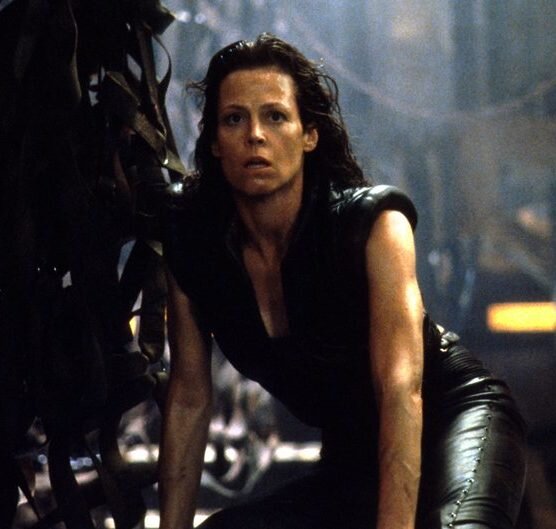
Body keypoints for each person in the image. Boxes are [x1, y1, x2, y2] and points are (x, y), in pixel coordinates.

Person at [159, 34, 526, 529]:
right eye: (234, 119)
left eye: (275, 116)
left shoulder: (372, 224)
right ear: (214, 144)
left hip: (452, 421)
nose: (255, 135)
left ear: (308, 135)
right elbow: (188, 399)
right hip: (354, 454)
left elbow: (400, 390)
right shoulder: (192, 242)